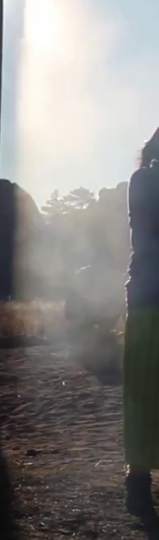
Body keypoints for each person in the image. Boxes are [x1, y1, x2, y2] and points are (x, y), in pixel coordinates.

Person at [123, 127, 159, 521]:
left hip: (145, 296)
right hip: (151, 296)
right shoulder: (146, 181)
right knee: (146, 391)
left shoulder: (142, 180)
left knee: (143, 392)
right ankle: (138, 484)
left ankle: (138, 484)